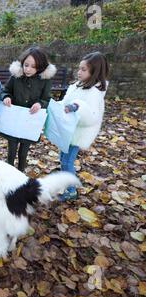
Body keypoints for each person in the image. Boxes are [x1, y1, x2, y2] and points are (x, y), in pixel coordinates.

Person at [58, 51, 109, 201]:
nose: (79, 72)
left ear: (94, 72)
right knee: (62, 159)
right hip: (67, 130)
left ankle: (71, 190)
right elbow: (66, 102)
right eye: (79, 68)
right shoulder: (76, 86)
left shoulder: (94, 93)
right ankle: (65, 182)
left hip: (77, 134)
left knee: (67, 162)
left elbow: (92, 116)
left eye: (83, 70)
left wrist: (77, 107)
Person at [0, 46, 56, 171]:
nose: (28, 69)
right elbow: (5, 90)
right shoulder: (16, 76)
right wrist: (6, 97)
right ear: (22, 63)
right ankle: (9, 171)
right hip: (14, 119)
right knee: (11, 149)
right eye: (26, 65)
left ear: (40, 67)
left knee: (24, 150)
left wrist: (40, 104)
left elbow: (47, 99)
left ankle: (20, 172)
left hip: (30, 121)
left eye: (33, 66)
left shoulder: (45, 80)